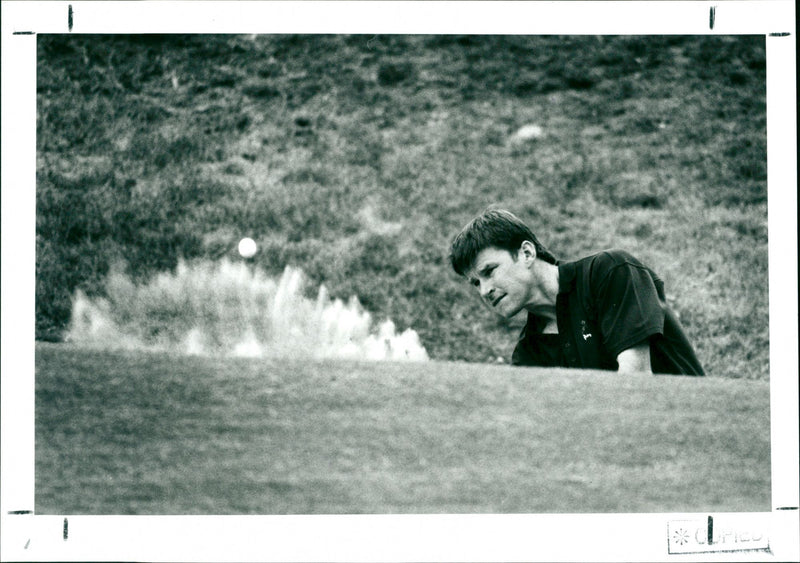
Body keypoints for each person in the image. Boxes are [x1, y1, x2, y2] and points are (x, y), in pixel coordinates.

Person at [449, 208, 704, 375]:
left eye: (489, 271)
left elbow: (635, 383)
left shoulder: (610, 272)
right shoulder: (529, 354)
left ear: (526, 253)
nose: (484, 291)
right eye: (476, 283)